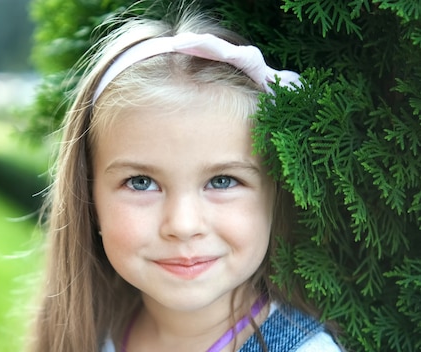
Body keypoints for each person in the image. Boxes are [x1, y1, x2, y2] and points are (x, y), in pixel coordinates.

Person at [27, 7, 343, 352]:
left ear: (274, 193)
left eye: (222, 181)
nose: (183, 224)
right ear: (89, 199)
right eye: (141, 182)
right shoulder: (91, 335)